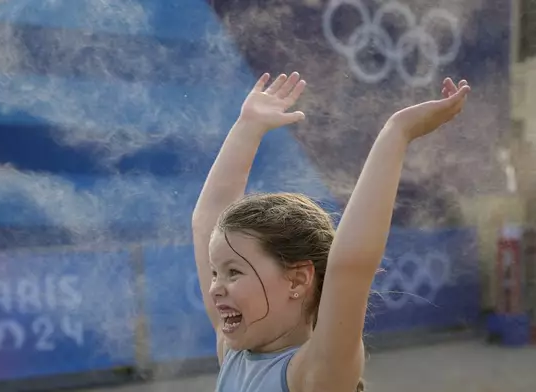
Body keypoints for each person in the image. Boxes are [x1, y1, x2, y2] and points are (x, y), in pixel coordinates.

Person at [191, 72, 471, 392]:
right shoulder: (233, 354)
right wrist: (248, 126)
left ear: (297, 279)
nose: (215, 289)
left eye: (233, 272)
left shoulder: (314, 376)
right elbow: (206, 224)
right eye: (215, 273)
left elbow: (350, 265)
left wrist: (397, 133)